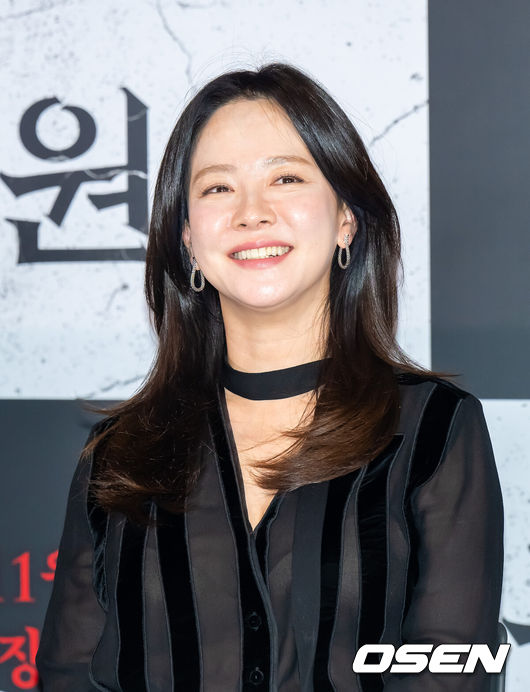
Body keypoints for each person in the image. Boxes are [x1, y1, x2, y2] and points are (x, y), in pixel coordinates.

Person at [36, 62, 504, 691]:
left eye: (286, 178)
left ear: (345, 218)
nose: (251, 213)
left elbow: (452, 669)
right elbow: (69, 673)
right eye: (217, 188)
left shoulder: (434, 428)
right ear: (187, 239)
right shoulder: (121, 452)